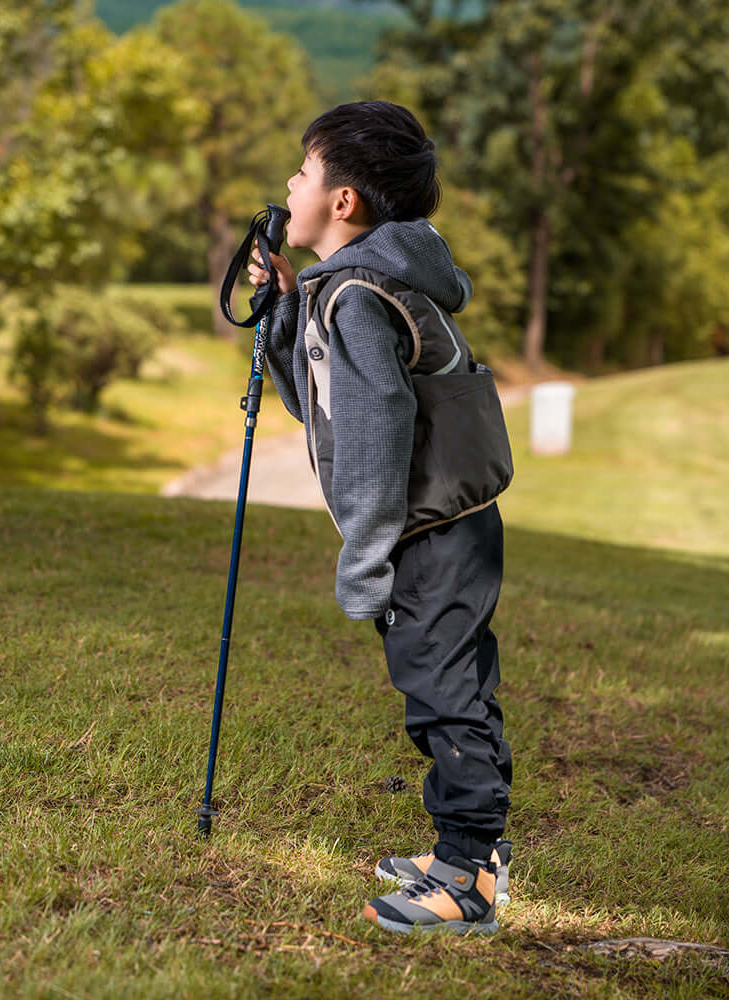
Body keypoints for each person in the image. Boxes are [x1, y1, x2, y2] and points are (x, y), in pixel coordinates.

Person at [248, 101, 514, 935]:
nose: (289, 184)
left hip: (424, 537)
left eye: (302, 171)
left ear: (343, 201)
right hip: (454, 526)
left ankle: (468, 882)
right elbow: (320, 398)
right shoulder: (371, 280)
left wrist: (363, 564)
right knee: (457, 684)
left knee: (443, 697)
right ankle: (469, 852)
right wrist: (288, 308)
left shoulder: (358, 296)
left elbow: (368, 445)